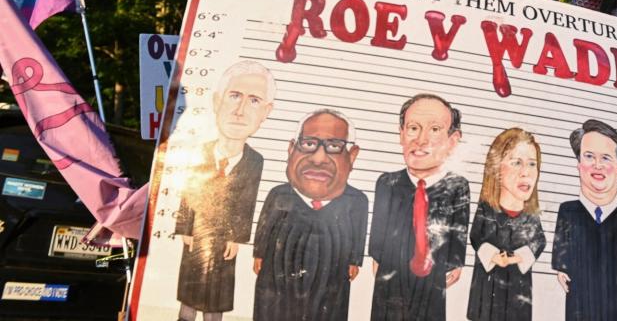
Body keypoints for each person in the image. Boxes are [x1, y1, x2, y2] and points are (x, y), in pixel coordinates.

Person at [174, 61, 275, 321]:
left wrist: (236, 237)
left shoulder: (255, 161)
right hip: (197, 233)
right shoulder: (199, 151)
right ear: (218, 101)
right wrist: (185, 228)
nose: (240, 110)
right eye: (234, 96)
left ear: (266, 112)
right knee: (190, 293)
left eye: (254, 101)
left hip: (224, 239)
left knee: (216, 297)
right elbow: (188, 190)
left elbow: (247, 201)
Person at [252, 109, 368, 321]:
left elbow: (358, 232)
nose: (318, 158)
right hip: (278, 269)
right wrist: (259, 254)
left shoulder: (356, 201)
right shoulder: (278, 195)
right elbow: (265, 227)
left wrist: (354, 260)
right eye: (308, 144)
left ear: (352, 156)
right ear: (291, 149)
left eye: (334, 146)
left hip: (331, 270)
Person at [367, 93, 470, 321]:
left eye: (434, 130)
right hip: (392, 270)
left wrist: (455, 261)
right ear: (401, 134)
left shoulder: (457, 186)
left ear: (453, 140)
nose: (421, 140)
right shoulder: (387, 183)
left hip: (434, 271)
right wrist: (377, 255)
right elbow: (379, 226)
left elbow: (459, 227)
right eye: (413, 128)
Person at [552, 119, 617, 320]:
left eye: (606, 158)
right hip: (579, 288)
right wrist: (561, 267)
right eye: (589, 156)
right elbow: (561, 241)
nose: (597, 165)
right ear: (579, 164)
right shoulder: (568, 210)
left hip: (615, 288)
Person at [467, 128, 547, 321]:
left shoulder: (530, 215)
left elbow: (539, 241)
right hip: (487, 287)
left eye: (532, 164)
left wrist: (518, 258)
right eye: (517, 162)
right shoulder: (487, 209)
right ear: (496, 169)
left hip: (517, 288)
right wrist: (493, 256)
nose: (525, 172)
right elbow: (476, 235)